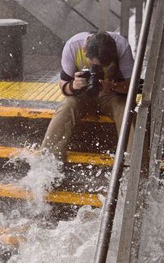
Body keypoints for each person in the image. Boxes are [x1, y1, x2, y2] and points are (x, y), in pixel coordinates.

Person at [41, 31, 134, 166]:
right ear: (84, 50)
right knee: (66, 107)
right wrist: (73, 86)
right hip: (81, 94)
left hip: (111, 95)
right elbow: (63, 85)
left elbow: (132, 86)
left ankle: (135, 169)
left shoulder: (122, 46)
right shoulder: (73, 46)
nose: (98, 69)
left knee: (126, 110)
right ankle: (47, 165)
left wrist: (113, 86)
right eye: (94, 65)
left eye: (103, 66)